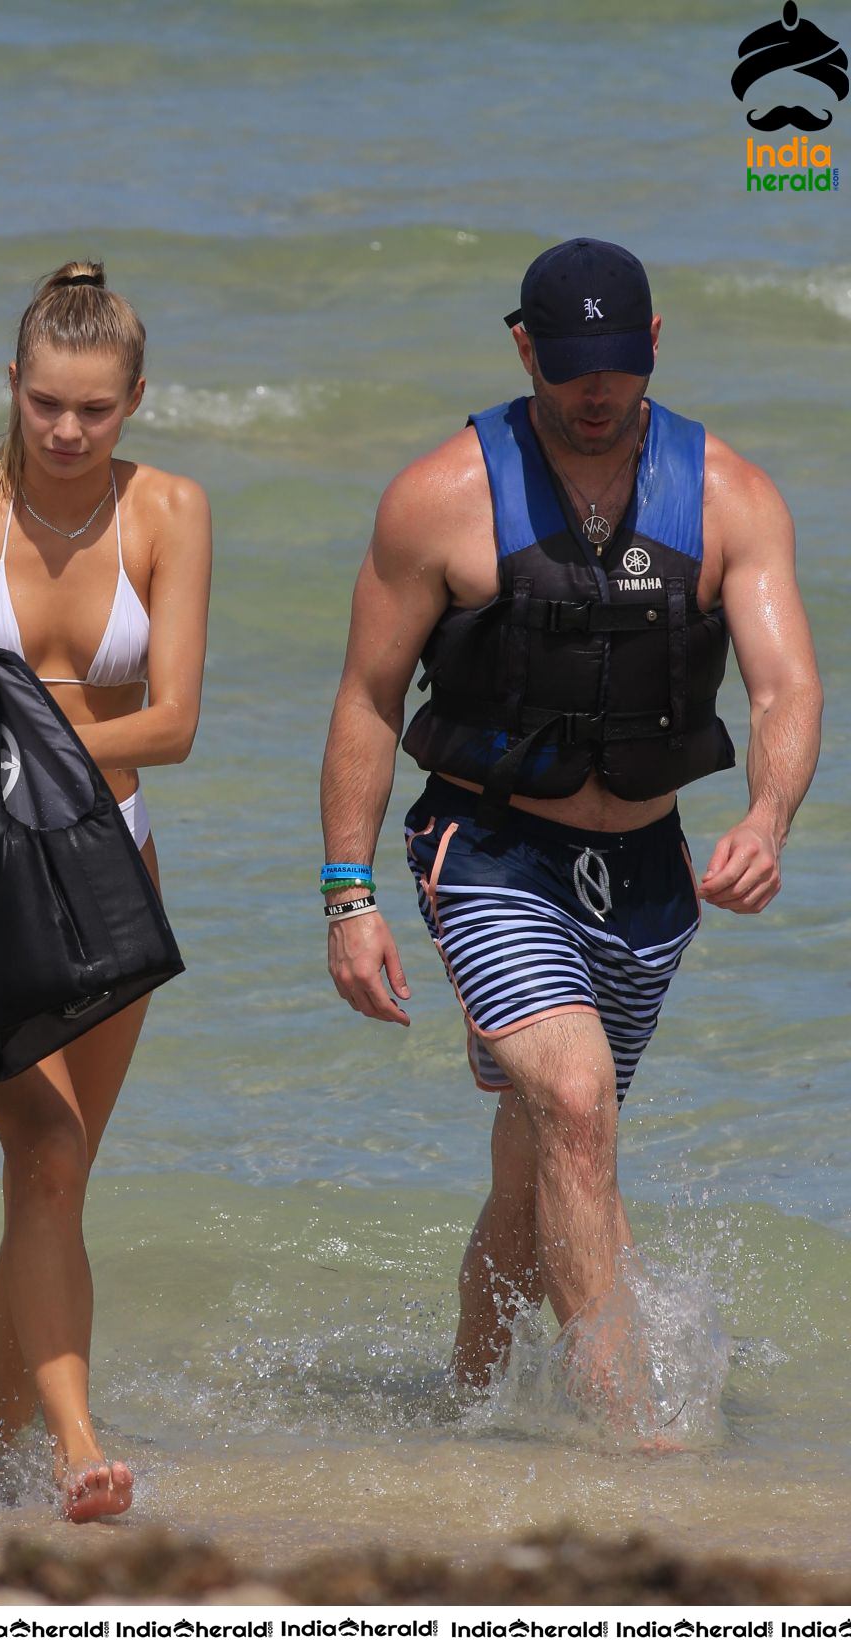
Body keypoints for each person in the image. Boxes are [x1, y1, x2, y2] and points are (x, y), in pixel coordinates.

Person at [320, 237, 821, 1420]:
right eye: (568, 368)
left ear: (652, 346)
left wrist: (767, 814)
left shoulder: (728, 496)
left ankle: (471, 1405)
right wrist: (349, 897)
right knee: (581, 1111)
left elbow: (785, 688)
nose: (595, 394)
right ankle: (629, 1430)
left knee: (542, 1150)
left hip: (646, 870)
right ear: (523, 348)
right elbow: (368, 700)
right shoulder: (440, 497)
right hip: (489, 850)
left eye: (617, 366)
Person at [0, 261, 212, 1518]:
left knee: (53, 1181)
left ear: (132, 403)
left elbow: (170, 723)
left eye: (95, 410)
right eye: (47, 404)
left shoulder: (169, 510)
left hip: (116, 864)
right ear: (13, 386)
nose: (67, 432)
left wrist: (28, 741)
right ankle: (74, 1448)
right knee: (49, 1146)